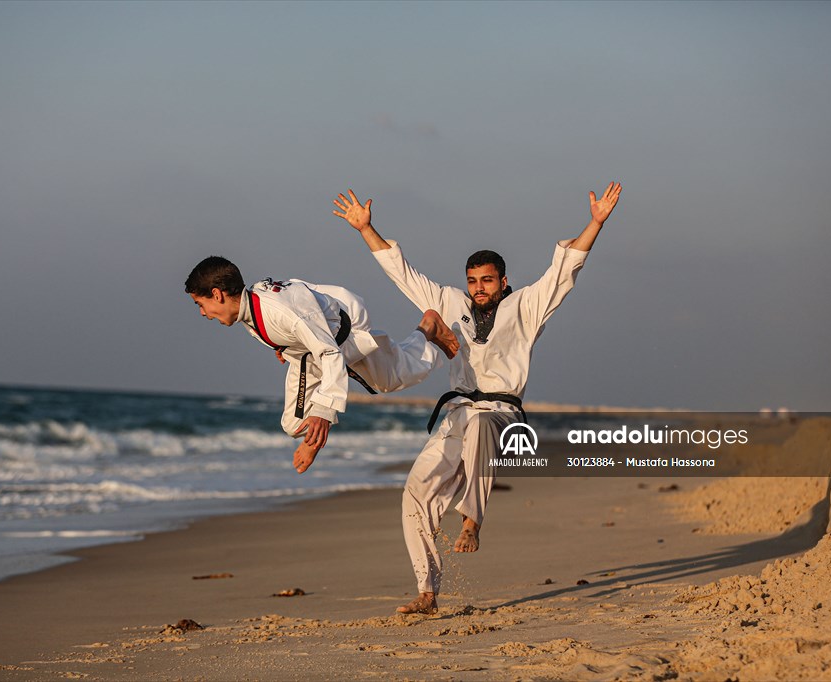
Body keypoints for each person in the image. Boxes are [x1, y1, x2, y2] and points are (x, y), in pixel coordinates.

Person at [333, 183, 622, 614]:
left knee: (482, 425)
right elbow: (403, 273)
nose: (479, 287)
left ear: (503, 281)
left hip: (502, 414)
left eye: (487, 280)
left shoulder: (526, 305)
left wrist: (596, 222)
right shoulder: (451, 302)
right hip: (457, 412)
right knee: (415, 493)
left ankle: (472, 522)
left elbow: (565, 271)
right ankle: (428, 593)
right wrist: (366, 229)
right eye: (473, 280)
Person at [185, 257, 460, 473]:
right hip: (317, 343)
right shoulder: (248, 305)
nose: (202, 314)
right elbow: (297, 299)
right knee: (389, 380)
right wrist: (284, 346)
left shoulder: (278, 311)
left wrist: (324, 413)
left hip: (339, 339)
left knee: (297, 423)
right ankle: (428, 328)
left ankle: (319, 429)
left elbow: (327, 352)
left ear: (217, 294)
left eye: (200, 304)